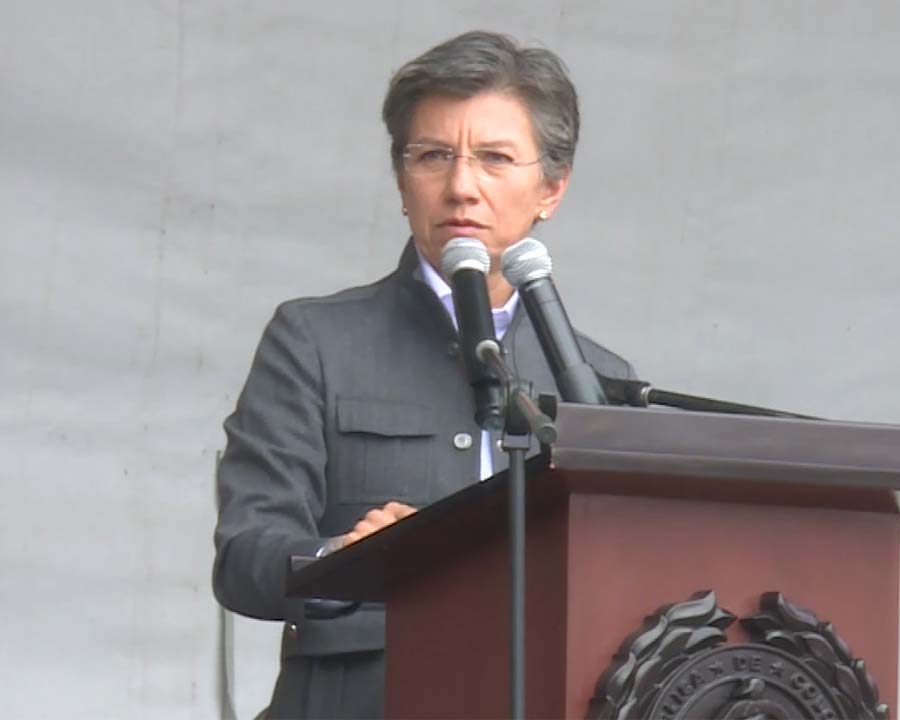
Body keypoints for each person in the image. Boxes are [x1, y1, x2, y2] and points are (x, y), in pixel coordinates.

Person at [212, 30, 633, 719]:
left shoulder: (598, 382)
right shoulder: (315, 341)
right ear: (402, 183)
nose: (461, 186)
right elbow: (243, 559)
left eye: (495, 158)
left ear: (551, 189)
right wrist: (345, 558)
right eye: (434, 155)